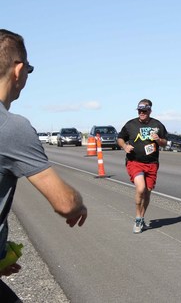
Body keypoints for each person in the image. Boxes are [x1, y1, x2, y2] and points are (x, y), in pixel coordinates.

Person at [0, 29, 88, 301]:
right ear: (18, 69)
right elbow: (65, 203)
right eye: (29, 69)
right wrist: (79, 204)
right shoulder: (11, 127)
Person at [117, 99, 167, 234]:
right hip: (135, 162)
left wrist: (158, 140)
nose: (141, 113)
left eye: (144, 111)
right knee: (141, 189)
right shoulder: (130, 124)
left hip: (152, 164)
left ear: (150, 111)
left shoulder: (157, 125)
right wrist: (124, 146)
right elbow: (120, 138)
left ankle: (141, 218)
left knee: (147, 193)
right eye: (139, 111)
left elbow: (164, 142)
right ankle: (137, 218)